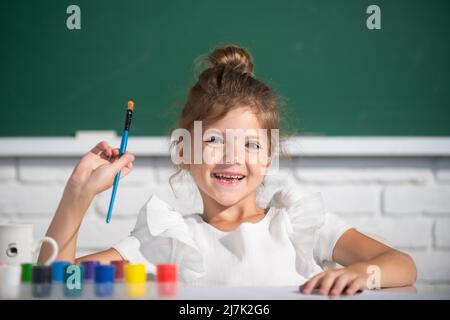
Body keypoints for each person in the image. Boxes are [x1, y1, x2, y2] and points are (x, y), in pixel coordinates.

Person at [39, 44, 416, 296]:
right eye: (213, 141)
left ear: (269, 157)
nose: (232, 157)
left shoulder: (298, 223)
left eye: (251, 144)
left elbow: (402, 265)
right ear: (183, 152)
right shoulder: (168, 237)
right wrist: (79, 192)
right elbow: (56, 281)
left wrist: (362, 273)